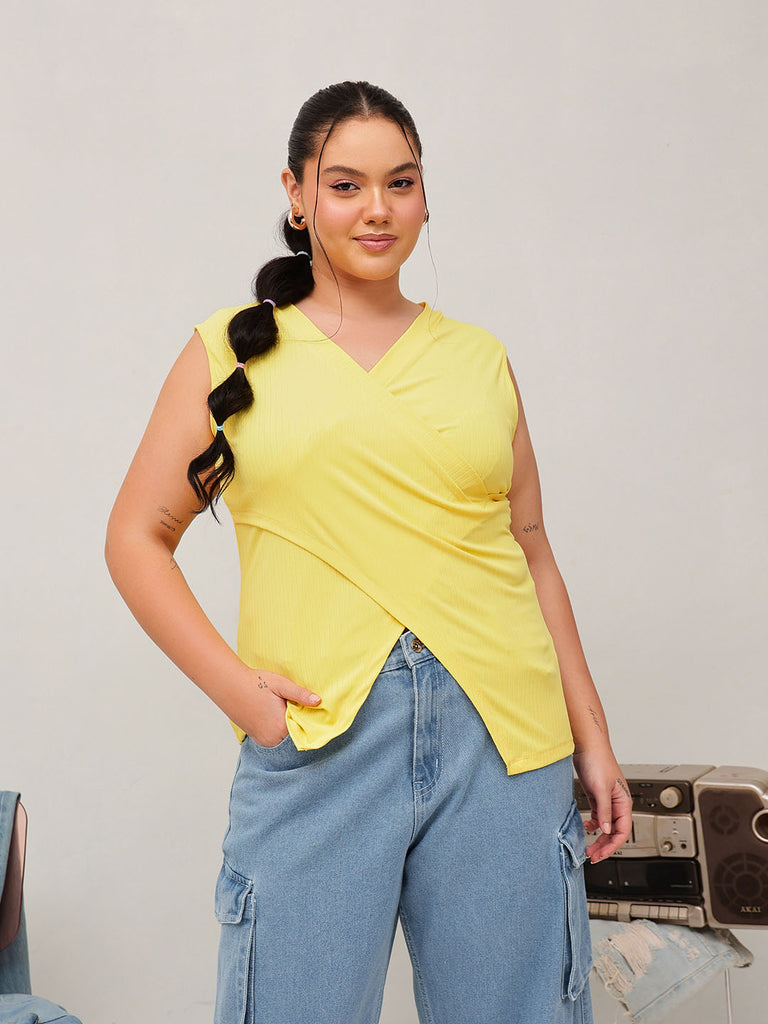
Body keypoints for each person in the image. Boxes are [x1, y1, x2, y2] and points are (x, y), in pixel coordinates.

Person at [105, 80, 632, 1024]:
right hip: (319, 738)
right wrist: (245, 698)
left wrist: (592, 736)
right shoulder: (229, 353)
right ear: (297, 194)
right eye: (346, 185)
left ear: (425, 195)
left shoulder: (479, 358)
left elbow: (532, 551)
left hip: (504, 745)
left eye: (402, 182)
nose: (378, 209)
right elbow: (136, 537)